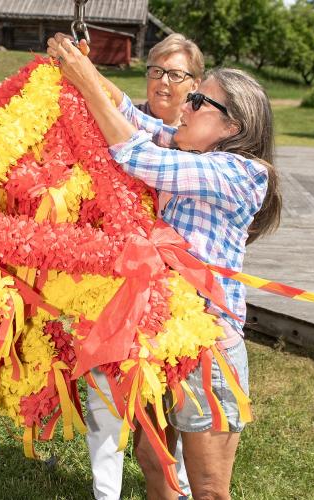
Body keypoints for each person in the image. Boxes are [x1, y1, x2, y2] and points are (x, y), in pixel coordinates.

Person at [48, 34, 281, 500]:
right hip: (158, 339)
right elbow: (134, 120)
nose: (184, 106)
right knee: (157, 467)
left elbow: (138, 156)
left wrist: (84, 82)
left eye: (198, 99)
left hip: (209, 348)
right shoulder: (190, 148)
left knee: (209, 489)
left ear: (232, 127)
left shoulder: (243, 173)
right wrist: (84, 69)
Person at [85, 32, 204, 500]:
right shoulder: (124, 121)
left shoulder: (200, 142)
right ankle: (106, 492)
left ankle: (185, 487)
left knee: (178, 414)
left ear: (196, 84)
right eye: (155, 71)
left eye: (176, 74)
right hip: (118, 284)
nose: (163, 82)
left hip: (183, 301)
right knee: (109, 399)